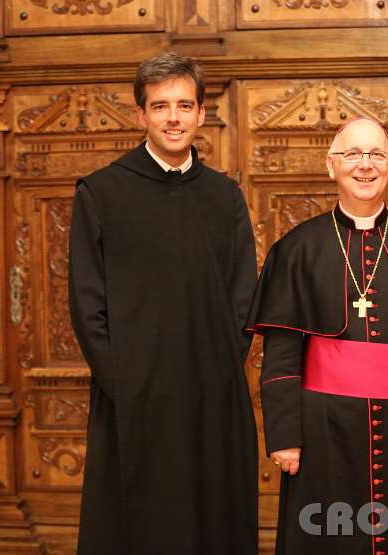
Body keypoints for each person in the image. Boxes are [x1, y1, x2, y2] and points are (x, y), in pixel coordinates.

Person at [246, 117, 388, 555]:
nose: (365, 166)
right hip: (323, 427)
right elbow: (280, 357)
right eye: (352, 154)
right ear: (331, 166)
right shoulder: (298, 248)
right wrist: (284, 435)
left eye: (376, 155)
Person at [68, 51, 258, 555]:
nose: (173, 117)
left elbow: (243, 295)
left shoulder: (225, 196)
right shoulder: (102, 193)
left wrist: (217, 371)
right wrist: (126, 383)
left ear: (200, 114)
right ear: (141, 115)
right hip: (133, 396)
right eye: (160, 106)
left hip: (211, 396)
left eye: (183, 105)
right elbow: (87, 304)